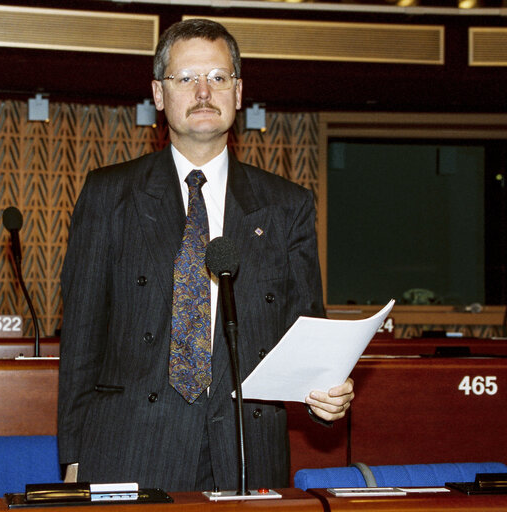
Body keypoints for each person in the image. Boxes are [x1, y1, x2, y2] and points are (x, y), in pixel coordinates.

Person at [58, 18, 354, 493]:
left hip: (245, 448)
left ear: (238, 93)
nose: (203, 92)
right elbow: (80, 340)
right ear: (159, 94)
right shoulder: (109, 194)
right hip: (129, 445)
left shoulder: (286, 206)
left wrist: (328, 393)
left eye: (217, 78)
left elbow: (307, 336)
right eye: (186, 78)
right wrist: (71, 456)